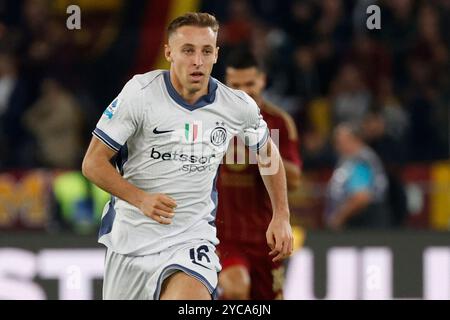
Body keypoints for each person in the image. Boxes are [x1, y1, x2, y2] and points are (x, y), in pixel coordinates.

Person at [81, 12, 293, 300]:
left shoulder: (236, 106)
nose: (198, 61)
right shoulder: (139, 94)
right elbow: (93, 163)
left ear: (216, 54)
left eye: (206, 51)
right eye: (188, 50)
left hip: (192, 240)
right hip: (130, 241)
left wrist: (281, 215)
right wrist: (141, 198)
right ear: (169, 52)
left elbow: (268, 153)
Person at [216, 50, 302, 300]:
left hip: (267, 239)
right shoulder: (212, 120)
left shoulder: (279, 122)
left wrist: (259, 153)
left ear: (262, 81)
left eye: (250, 84)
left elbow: (295, 179)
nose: (243, 91)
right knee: (235, 289)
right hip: (224, 237)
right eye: (235, 85)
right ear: (225, 84)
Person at [325, 122, 390, 230]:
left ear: (354, 139)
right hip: (358, 223)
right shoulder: (348, 158)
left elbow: (361, 196)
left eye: (340, 142)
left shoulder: (360, 159)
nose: (337, 147)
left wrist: (338, 218)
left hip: (364, 226)